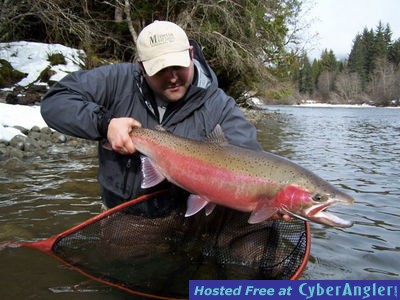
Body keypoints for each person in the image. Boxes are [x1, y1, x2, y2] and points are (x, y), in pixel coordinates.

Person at [41, 20, 287, 220]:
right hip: (124, 213)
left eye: (179, 66)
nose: (172, 78)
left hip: (185, 215)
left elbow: (250, 158)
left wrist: (267, 196)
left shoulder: (218, 105)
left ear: (190, 54)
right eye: (160, 70)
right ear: (141, 66)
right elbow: (56, 101)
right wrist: (105, 124)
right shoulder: (116, 80)